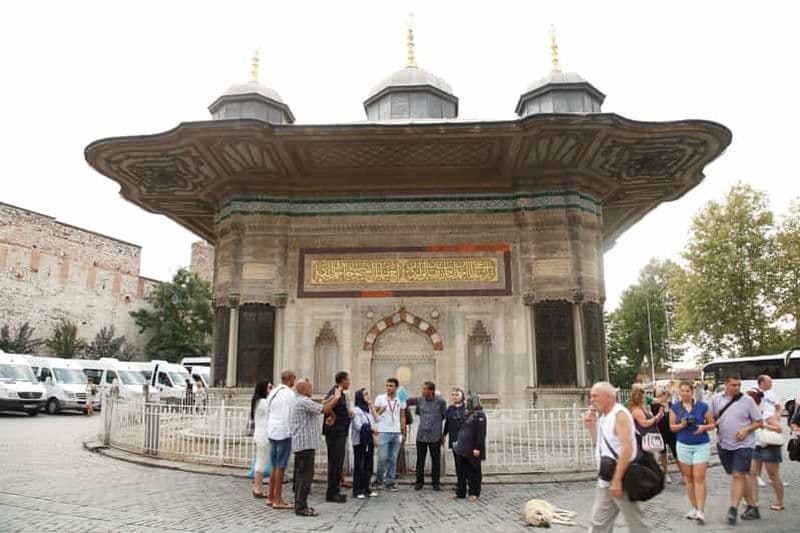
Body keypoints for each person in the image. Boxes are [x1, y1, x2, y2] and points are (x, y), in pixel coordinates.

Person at [583, 381, 649, 533]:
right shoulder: (604, 416)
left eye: (595, 396)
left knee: (636, 524)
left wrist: (617, 480)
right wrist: (591, 426)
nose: (591, 399)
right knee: (598, 524)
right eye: (591, 396)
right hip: (606, 478)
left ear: (608, 397)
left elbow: (627, 448)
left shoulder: (619, 415)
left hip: (623, 478)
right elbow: (599, 445)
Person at [711, 374, 763, 525]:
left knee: (738, 474)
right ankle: (753, 507)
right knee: (738, 476)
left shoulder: (747, 401)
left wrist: (746, 429)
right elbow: (711, 418)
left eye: (739, 385)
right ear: (726, 385)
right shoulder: (716, 399)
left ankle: (733, 509)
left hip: (744, 444)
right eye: (733, 385)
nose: (737, 388)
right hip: (724, 444)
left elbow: (759, 422)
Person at [290, 378, 340, 517]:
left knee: (301, 476)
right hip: (305, 445)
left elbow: (320, 407)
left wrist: (329, 405)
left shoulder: (299, 400)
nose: (312, 389)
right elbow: (325, 409)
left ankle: (300, 504)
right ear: (304, 389)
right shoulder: (303, 401)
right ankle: (301, 507)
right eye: (310, 387)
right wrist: (336, 398)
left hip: (302, 444)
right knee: (305, 477)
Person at [669, 381, 715, 524]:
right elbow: (672, 427)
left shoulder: (702, 406)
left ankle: (701, 510)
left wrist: (704, 427)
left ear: (692, 392)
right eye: (681, 391)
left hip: (701, 444)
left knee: (699, 477)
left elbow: (712, 423)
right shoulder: (675, 408)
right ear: (679, 393)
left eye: (687, 391)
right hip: (683, 445)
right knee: (688, 478)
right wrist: (681, 425)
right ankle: (694, 507)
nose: (684, 394)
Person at [749, 387, 785, 512]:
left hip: (770, 445)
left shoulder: (766, 414)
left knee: (773, 475)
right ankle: (754, 500)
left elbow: (779, 428)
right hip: (757, 445)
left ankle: (779, 502)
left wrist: (762, 424)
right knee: (752, 474)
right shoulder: (750, 413)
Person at [265, 370, 296, 509]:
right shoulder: (289, 394)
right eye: (294, 378)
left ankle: (271, 496)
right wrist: (291, 431)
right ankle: (278, 499)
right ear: (290, 379)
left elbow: (268, 411)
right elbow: (289, 414)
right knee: (281, 466)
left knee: (274, 464)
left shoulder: (273, 392)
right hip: (283, 431)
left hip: (272, 429)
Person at [408, 381, 447, 491]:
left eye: (425, 389)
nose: (423, 391)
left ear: (431, 390)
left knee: (435, 460)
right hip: (421, 435)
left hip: (435, 436)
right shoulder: (420, 400)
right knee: (420, 460)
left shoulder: (441, 402)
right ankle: (419, 482)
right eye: (423, 389)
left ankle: (435, 483)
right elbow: (419, 413)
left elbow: (444, 416)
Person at [450, 393, 487, 501]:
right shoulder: (467, 413)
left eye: (469, 401)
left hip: (473, 449)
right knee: (461, 471)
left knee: (474, 472)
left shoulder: (480, 415)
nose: (466, 402)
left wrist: (477, 448)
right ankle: (460, 492)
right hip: (462, 448)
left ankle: (474, 492)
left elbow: (481, 433)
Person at [323, 371, 352, 503]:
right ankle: (332, 493)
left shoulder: (340, 393)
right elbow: (327, 407)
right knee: (335, 463)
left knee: (338, 463)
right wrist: (334, 417)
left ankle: (335, 490)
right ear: (342, 381)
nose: (349, 382)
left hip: (340, 432)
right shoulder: (335, 392)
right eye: (348, 380)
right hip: (335, 433)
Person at [373, 378, 407, 491]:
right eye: (387, 385)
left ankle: (390, 482)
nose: (388, 387)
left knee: (393, 459)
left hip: (396, 432)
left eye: (391, 385)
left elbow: (402, 416)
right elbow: (374, 414)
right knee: (382, 458)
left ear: (396, 387)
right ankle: (378, 480)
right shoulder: (380, 398)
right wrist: (375, 425)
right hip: (383, 431)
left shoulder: (401, 399)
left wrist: (404, 433)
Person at [351, 388, 379, 499]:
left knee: (368, 466)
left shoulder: (368, 410)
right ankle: (358, 490)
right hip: (360, 442)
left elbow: (378, 419)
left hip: (369, 441)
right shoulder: (356, 410)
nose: (368, 396)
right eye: (365, 394)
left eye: (368, 394)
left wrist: (372, 407)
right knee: (360, 466)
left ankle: (366, 489)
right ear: (360, 397)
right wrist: (371, 429)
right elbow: (358, 426)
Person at [651, 388, 677, 483]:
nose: (663, 396)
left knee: (676, 453)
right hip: (660, 431)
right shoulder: (655, 405)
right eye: (660, 394)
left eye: (663, 394)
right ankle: (665, 473)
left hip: (671, 432)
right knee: (663, 453)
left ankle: (684, 473)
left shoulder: (671, 405)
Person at [250, 380, 272, 499]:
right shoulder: (263, 402)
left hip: (260, 434)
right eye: (269, 388)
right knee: (261, 462)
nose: (270, 390)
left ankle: (258, 487)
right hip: (264, 435)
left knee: (260, 460)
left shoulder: (258, 401)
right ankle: (258, 488)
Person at [628, 384, 663, 453]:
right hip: (644, 440)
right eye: (644, 395)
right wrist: (656, 417)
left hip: (649, 438)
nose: (645, 397)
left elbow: (651, 421)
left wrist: (659, 417)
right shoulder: (636, 410)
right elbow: (644, 423)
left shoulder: (643, 408)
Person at [442, 388, 467, 487]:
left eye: (456, 395)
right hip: (454, 439)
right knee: (457, 462)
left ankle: (467, 482)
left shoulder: (466, 409)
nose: (454, 397)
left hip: (465, 440)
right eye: (453, 395)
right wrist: (444, 434)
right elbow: (447, 423)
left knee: (465, 462)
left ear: (461, 396)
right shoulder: (450, 409)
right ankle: (460, 483)